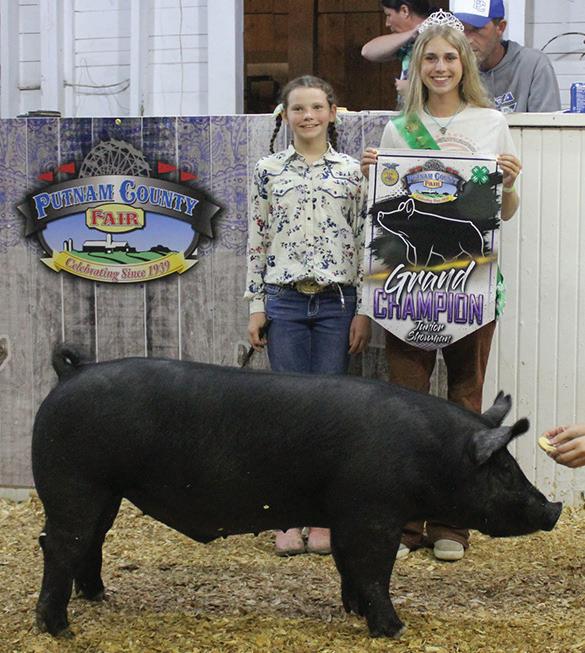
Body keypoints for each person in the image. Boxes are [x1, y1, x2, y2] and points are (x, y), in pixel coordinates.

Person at [361, 10, 522, 561]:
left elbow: (505, 211)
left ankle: (454, 522)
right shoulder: (397, 129)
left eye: (450, 57)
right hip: (406, 288)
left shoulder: (490, 122)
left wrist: (510, 183)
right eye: (430, 57)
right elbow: (386, 208)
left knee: (465, 402)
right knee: (405, 405)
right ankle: (405, 523)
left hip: (470, 284)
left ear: (465, 63)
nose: (440, 66)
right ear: (417, 65)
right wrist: (373, 177)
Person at [245, 75, 371, 557]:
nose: (308, 116)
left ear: (332, 112)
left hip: (337, 303)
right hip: (285, 300)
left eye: (316, 107)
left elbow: (364, 241)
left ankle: (323, 517)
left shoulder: (352, 173)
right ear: (285, 116)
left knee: (331, 414)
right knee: (287, 413)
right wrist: (256, 305)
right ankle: (286, 516)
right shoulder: (268, 171)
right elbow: (258, 238)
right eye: (298, 109)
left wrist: (363, 310)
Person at [451, 0, 561, 113]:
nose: (467, 39)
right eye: (460, 28)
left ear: (500, 27)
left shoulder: (532, 65)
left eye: (476, 29)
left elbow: (548, 122)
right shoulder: (452, 67)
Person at [361, 0, 433, 104]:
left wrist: (414, 89)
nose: (387, 23)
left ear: (404, 11)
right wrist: (412, 34)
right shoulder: (409, 41)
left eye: (388, 15)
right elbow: (367, 51)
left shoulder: (439, 37)